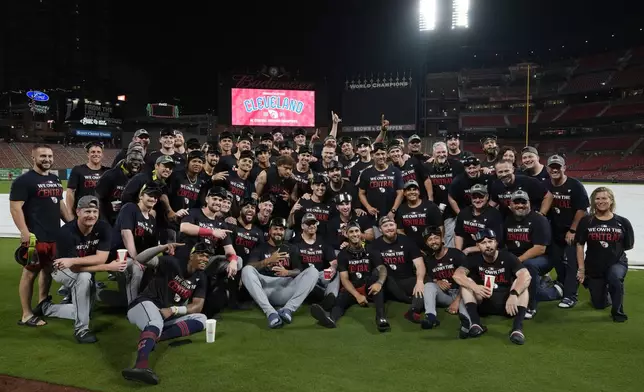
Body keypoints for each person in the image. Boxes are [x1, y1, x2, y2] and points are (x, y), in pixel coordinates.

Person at [32, 196, 125, 343]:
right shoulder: (66, 232)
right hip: (60, 269)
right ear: (78, 212)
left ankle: (46, 308)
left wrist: (74, 260)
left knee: (85, 310)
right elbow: (75, 269)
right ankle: (81, 330)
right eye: (87, 211)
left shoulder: (104, 228)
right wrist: (108, 267)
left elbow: (100, 258)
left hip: (77, 265)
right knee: (84, 278)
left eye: (95, 211)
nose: (92, 215)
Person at [122, 242, 210, 385]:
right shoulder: (172, 263)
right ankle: (140, 366)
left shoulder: (201, 277)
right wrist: (162, 248)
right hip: (143, 305)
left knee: (202, 319)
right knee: (155, 322)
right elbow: (140, 258)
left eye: (208, 257)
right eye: (201, 255)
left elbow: (197, 306)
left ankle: (152, 337)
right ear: (191, 255)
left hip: (165, 314)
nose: (205, 259)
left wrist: (173, 310)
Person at [10, 144, 73, 327]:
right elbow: (15, 208)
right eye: (43, 156)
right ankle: (26, 314)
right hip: (35, 238)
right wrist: (24, 231)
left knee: (48, 271)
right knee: (30, 273)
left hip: (54, 236)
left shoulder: (54, 179)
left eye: (50, 156)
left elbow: (59, 204)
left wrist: (71, 224)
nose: (47, 159)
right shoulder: (24, 181)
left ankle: (43, 303)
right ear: (34, 158)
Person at [453, 229, 531, 345]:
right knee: (467, 282)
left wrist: (514, 294)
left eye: (490, 241)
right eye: (483, 243)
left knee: (521, 284)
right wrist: (474, 287)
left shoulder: (508, 257)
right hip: (484, 301)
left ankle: (517, 329)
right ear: (478, 246)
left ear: (496, 243)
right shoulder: (474, 259)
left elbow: (526, 275)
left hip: (508, 305)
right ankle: (476, 324)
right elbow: (457, 275)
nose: (488, 245)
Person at [309, 221, 391, 332]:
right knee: (341, 300)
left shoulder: (370, 249)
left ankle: (381, 318)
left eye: (356, 231)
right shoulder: (343, 254)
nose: (354, 234)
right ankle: (331, 319)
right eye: (351, 232)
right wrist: (357, 295)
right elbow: (344, 278)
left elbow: (382, 268)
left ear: (360, 232)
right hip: (353, 287)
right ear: (346, 234)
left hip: (368, 285)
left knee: (377, 284)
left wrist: (379, 283)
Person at [241, 218, 318, 328]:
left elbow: (298, 270)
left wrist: (287, 272)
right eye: (275, 229)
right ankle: (271, 313)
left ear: (284, 231)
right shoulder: (260, 247)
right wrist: (268, 261)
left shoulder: (291, 248)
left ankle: (288, 310)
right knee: (246, 270)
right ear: (270, 231)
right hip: (265, 289)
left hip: (286, 287)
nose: (278, 232)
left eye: (281, 229)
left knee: (313, 271)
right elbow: (250, 267)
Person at [575, 187, 634, 322]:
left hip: (616, 262)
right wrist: (581, 269)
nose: (601, 201)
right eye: (597, 198)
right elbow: (579, 244)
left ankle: (618, 312)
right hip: (594, 266)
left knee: (615, 277)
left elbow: (627, 245)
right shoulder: (586, 221)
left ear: (611, 200)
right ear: (593, 201)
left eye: (604, 198)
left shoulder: (623, 222)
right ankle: (603, 289)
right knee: (599, 304)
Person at [503, 190, 560, 318]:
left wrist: (517, 261)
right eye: (516, 202)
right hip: (517, 258)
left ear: (529, 203)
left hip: (541, 258)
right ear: (510, 204)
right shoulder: (507, 219)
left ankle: (531, 306)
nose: (520, 205)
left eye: (523, 202)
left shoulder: (539, 219)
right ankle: (546, 287)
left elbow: (540, 248)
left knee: (529, 266)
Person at [544, 155, 589, 308]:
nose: (555, 169)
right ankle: (563, 285)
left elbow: (582, 209)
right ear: (548, 169)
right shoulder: (546, 185)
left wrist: (573, 230)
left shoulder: (575, 185)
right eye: (552, 167)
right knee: (557, 261)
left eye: (558, 166)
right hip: (555, 231)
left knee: (572, 263)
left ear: (564, 168)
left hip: (572, 231)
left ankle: (571, 296)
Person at [421, 226, 470, 333]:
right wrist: (437, 282)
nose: (434, 241)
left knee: (465, 304)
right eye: (430, 239)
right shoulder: (430, 260)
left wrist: (457, 301)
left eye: (436, 238)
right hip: (446, 295)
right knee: (428, 285)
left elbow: (468, 280)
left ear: (442, 239)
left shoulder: (456, 254)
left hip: (462, 293)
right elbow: (429, 278)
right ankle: (431, 317)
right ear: (426, 243)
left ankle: (467, 327)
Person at [292, 213, 340, 309]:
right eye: (308, 223)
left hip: (321, 276)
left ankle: (330, 297)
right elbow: (295, 268)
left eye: (314, 223)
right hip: (304, 277)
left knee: (337, 272)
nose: (312, 226)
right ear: (302, 226)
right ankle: (324, 297)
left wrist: (333, 268)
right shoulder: (295, 242)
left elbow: (333, 261)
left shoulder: (323, 241)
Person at [454, 184, 503, 256]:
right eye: (474, 197)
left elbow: (496, 242)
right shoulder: (464, 213)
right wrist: (458, 253)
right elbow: (459, 234)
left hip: (488, 252)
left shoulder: (494, 215)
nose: (477, 200)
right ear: (470, 198)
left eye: (481, 197)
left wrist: (469, 250)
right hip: (466, 252)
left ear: (487, 197)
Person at [66, 141, 109, 217]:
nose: (96, 154)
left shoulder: (108, 171)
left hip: (103, 215)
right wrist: (69, 213)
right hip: (83, 214)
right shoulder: (78, 170)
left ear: (102, 155)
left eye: (98, 152)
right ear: (88, 154)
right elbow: (70, 192)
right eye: (93, 152)